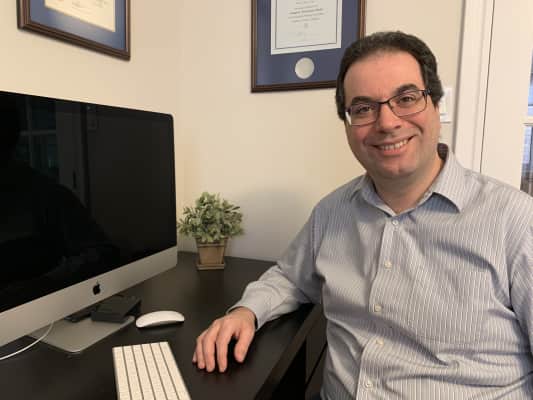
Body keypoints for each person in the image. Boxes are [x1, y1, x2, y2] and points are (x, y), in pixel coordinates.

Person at [192, 31, 533, 399]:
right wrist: (245, 312)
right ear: (348, 124)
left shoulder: (515, 221)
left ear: (435, 104)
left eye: (406, 99)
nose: (386, 122)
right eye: (364, 108)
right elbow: (290, 277)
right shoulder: (332, 212)